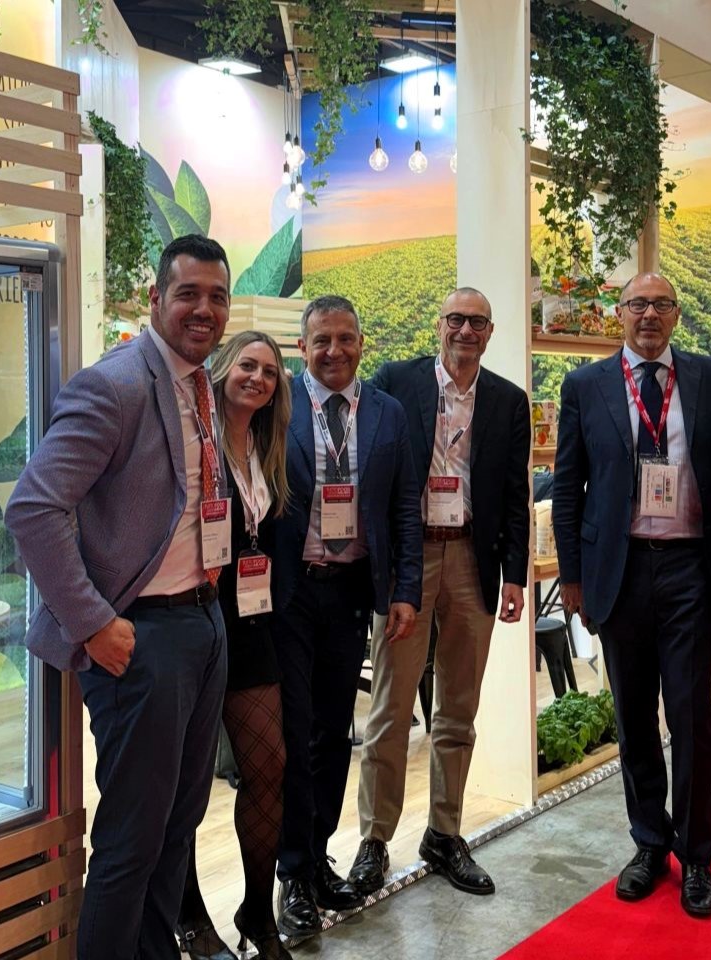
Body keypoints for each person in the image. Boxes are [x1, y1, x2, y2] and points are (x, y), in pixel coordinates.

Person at [6, 235, 233, 960]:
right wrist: (93, 623)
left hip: (201, 622)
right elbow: (33, 507)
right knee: (133, 842)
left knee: (177, 827)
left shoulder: (199, 383)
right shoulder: (115, 385)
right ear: (156, 299)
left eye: (217, 297)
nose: (203, 310)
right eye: (188, 294)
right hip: (139, 640)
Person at [550, 272, 711, 919]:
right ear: (620, 313)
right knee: (633, 716)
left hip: (691, 568)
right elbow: (568, 484)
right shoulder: (585, 385)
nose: (649, 315)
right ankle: (648, 842)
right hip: (621, 570)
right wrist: (573, 578)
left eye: (661, 304)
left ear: (677, 315)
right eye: (637, 304)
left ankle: (697, 854)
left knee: (691, 715)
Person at [348, 287, 531, 897]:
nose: (466, 331)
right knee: (391, 706)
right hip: (410, 560)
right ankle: (375, 840)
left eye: (478, 322)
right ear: (438, 325)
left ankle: (444, 832)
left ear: (490, 332)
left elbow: (515, 495)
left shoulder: (508, 400)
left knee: (458, 709)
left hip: (473, 560)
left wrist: (514, 573)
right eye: (457, 319)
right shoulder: (395, 384)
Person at [269, 295, 424, 939]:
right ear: (302, 348)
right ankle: (291, 873)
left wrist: (405, 588)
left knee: (335, 732)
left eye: (345, 338)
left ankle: (317, 856)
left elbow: (406, 507)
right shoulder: (275, 405)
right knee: (293, 733)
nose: (334, 350)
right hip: (289, 592)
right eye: (322, 340)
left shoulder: (388, 412)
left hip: (352, 590)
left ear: (362, 343)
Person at [177, 332, 294, 960]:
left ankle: (256, 909)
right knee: (188, 782)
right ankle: (189, 913)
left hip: (252, 621)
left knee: (268, 764)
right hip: (194, 615)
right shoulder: (197, 438)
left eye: (270, 371)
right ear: (222, 369)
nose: (258, 378)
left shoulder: (267, 449)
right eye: (247, 365)